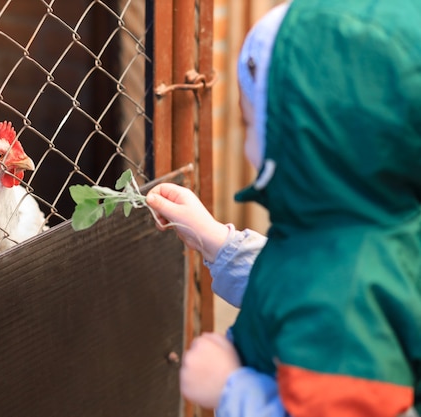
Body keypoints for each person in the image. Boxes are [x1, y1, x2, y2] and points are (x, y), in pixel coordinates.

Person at [146, 0, 421, 416]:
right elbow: (296, 284)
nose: (246, 145)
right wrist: (218, 242)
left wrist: (230, 389)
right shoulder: (369, 227)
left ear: (309, 140)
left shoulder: (344, 297)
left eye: (251, 124)